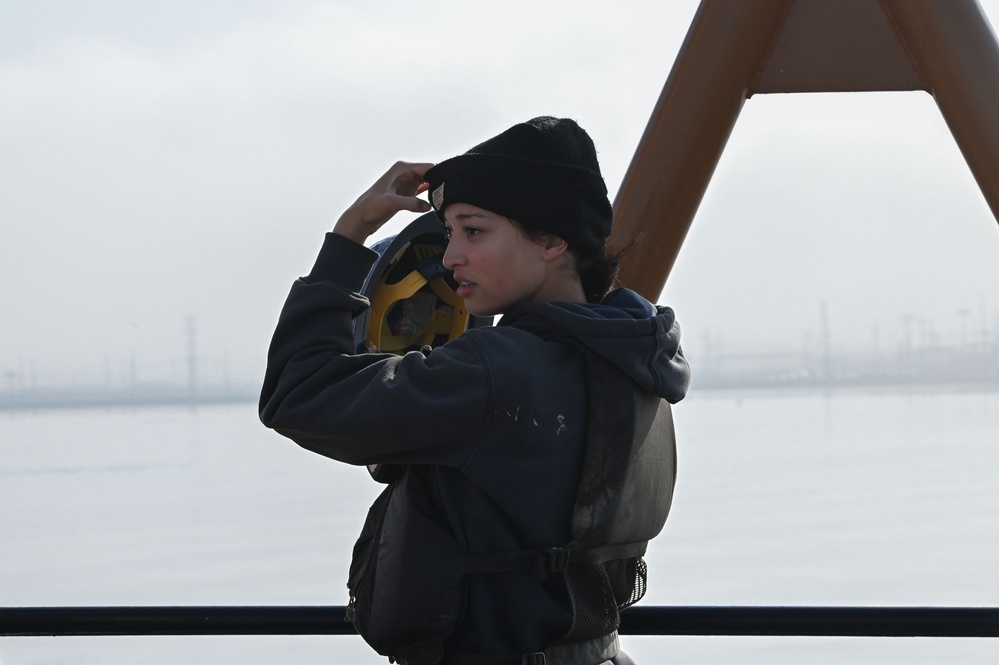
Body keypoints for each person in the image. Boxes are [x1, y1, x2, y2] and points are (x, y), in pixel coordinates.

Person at [259, 116, 690, 665]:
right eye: (449, 233)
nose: (449, 257)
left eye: (474, 230)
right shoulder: (636, 359)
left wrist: (350, 234)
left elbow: (297, 394)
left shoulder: (491, 373)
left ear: (553, 239)